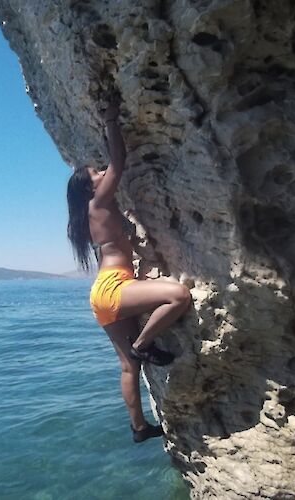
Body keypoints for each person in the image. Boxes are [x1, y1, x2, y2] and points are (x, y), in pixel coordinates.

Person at [66, 94, 192, 443]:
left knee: (128, 368)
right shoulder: (99, 201)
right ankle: (143, 342)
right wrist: (110, 120)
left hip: (102, 295)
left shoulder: (87, 217)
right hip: (113, 288)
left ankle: (139, 428)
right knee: (178, 295)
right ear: (90, 187)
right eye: (96, 173)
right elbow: (119, 163)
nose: (102, 172)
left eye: (99, 169)